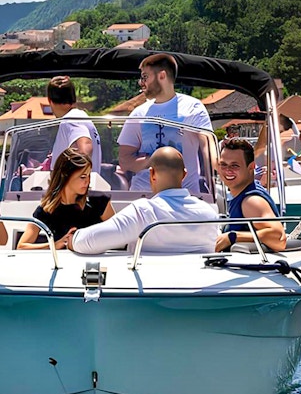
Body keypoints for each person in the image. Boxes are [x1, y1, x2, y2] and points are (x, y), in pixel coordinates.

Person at [68, 147, 219, 255]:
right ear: (184, 175)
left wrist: (72, 239)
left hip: (151, 292)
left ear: (152, 173)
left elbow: (87, 242)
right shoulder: (209, 214)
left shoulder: (143, 211)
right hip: (198, 292)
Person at [117, 53, 212, 193]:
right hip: (142, 196)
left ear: (162, 76)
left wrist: (222, 167)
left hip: (185, 196)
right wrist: (154, 161)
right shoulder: (138, 113)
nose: (140, 82)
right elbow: (124, 160)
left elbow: (208, 149)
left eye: (144, 77)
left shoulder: (193, 108)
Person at [17, 149, 115, 250]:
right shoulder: (47, 209)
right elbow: (21, 246)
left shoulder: (100, 202)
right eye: (82, 177)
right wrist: (55, 245)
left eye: (89, 175)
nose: (88, 181)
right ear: (65, 176)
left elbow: (119, 236)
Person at [215, 138, 286, 252]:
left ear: (251, 167)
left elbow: (279, 238)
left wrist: (233, 237)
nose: (228, 170)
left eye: (235, 166)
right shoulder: (246, 192)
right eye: (223, 164)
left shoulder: (251, 201)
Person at [47, 76, 102, 172]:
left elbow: (85, 149)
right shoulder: (80, 116)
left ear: (50, 101)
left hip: (73, 186)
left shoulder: (71, 119)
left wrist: (73, 180)